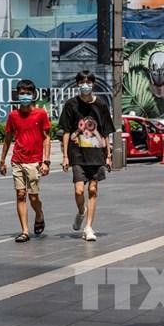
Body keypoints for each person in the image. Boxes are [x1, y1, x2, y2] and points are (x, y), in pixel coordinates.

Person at [59, 70, 115, 242]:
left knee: (92, 189)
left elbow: (106, 132)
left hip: (96, 154)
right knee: (79, 190)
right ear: (77, 84)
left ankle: (89, 227)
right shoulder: (71, 105)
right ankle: (81, 211)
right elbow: (66, 132)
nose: (86, 85)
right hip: (77, 155)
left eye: (89, 82)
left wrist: (108, 156)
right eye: (82, 82)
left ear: (93, 84)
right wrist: (65, 156)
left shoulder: (101, 105)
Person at [0, 79, 51, 243]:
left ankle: (39, 214)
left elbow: (46, 138)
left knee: (33, 197)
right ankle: (25, 231)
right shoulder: (13, 116)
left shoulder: (41, 114)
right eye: (22, 93)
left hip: (34, 161)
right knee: (21, 194)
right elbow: (7, 138)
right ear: (18, 95)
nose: (25, 96)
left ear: (33, 94)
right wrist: (2, 160)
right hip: (17, 160)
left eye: (28, 93)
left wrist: (46, 161)